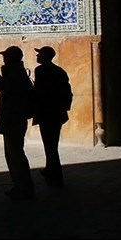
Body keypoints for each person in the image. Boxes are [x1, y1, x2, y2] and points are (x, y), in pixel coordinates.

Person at [0, 46, 35, 200]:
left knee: (15, 154)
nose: (4, 59)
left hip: (13, 118)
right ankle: (20, 185)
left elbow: (2, 86)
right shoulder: (16, 73)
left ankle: (24, 187)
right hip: (13, 118)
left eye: (6, 56)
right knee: (14, 154)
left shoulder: (17, 74)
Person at [32, 46, 73, 187]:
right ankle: (50, 170)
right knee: (52, 143)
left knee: (49, 145)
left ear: (45, 56)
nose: (37, 57)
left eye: (39, 54)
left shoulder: (41, 70)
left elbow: (39, 91)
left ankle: (56, 174)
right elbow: (67, 92)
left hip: (46, 113)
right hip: (57, 113)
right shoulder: (60, 71)